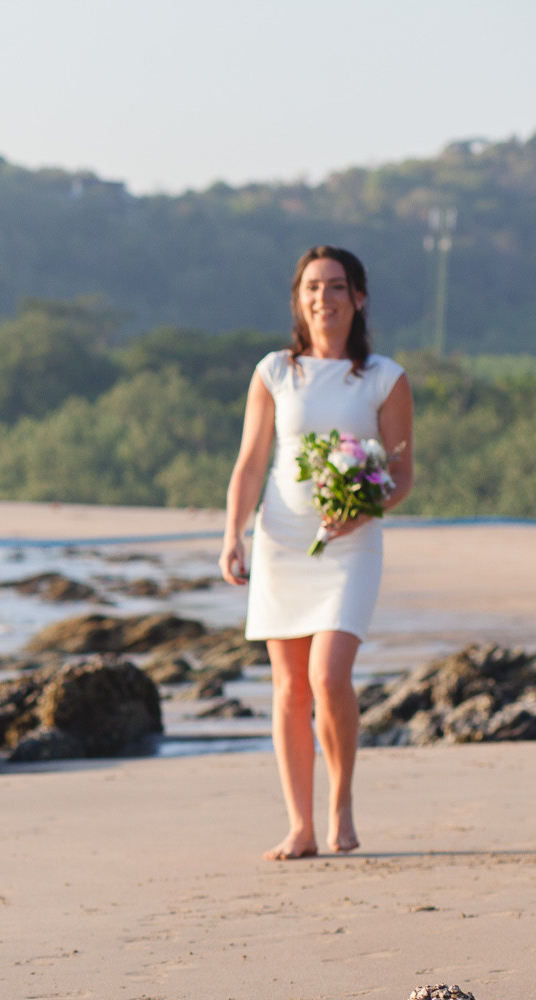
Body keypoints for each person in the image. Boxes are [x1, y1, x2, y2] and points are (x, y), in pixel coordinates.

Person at [220, 246, 414, 860]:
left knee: (328, 678)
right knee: (289, 691)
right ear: (298, 298)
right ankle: (300, 825)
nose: (322, 299)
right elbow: (252, 462)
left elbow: (402, 472)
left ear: (358, 297)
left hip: (352, 543)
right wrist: (234, 533)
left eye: (335, 287)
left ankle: (341, 802)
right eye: (311, 288)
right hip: (281, 539)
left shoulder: (385, 377)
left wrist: (363, 507)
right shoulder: (275, 371)